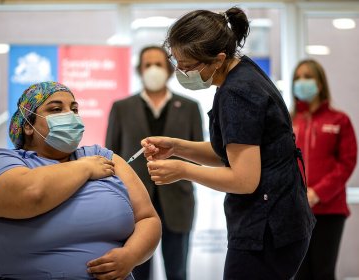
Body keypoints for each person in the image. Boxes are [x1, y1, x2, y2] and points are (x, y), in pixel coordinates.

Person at [141, 7, 316, 280]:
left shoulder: (238, 92)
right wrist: (176, 147)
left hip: (267, 229)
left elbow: (244, 178)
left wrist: (182, 171)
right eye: (176, 62)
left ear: (218, 59)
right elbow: (231, 152)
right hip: (280, 222)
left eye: (187, 66)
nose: (180, 72)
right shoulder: (241, 73)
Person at [0, 81, 161, 280]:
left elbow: (147, 218)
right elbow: (30, 194)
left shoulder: (103, 156)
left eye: (74, 109)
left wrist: (131, 256)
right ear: (28, 126)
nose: (69, 116)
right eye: (56, 109)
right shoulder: (2, 160)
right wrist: (84, 168)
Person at [105, 45, 203, 280]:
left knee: (177, 271)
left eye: (158, 64)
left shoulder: (189, 107)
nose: (153, 69)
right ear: (139, 69)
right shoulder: (121, 108)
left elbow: (199, 155)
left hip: (178, 202)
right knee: (137, 271)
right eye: (147, 65)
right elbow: (112, 156)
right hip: (133, 204)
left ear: (169, 70)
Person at [291, 59, 357, 280]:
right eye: (298, 78)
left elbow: (347, 163)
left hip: (329, 211)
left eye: (308, 77)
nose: (302, 82)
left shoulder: (340, 120)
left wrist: (318, 192)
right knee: (299, 274)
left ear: (320, 83)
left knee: (323, 273)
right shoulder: (288, 122)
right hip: (296, 211)